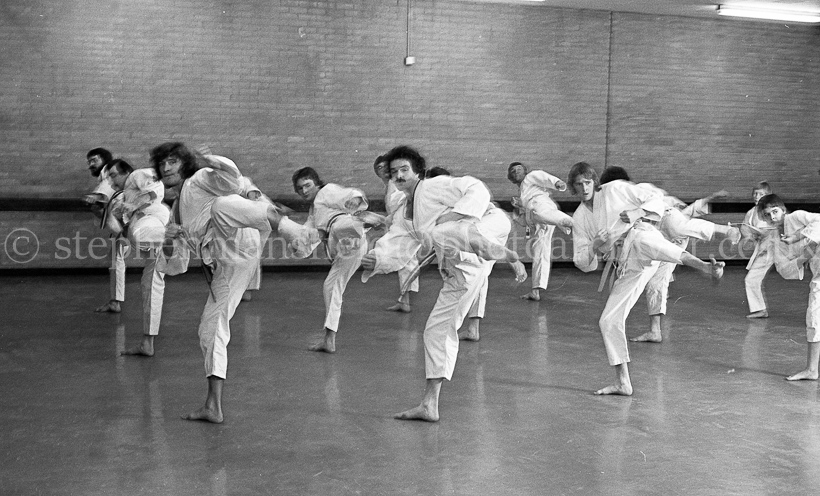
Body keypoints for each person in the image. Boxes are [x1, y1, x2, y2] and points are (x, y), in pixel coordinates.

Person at [361, 145, 526, 422]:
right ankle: (429, 405)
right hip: (459, 267)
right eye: (394, 172)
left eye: (404, 170)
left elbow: (475, 188)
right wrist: (377, 258)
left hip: (482, 232)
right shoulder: (404, 212)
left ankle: (504, 254)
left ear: (417, 171)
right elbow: (398, 243)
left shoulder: (434, 186)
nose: (399, 176)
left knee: (445, 229)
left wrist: (460, 213)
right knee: (435, 332)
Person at [153, 142, 307, 423]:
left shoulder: (199, 179)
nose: (166, 168)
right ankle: (213, 407)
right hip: (229, 262)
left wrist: (209, 159)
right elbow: (176, 265)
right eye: (161, 164)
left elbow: (232, 177)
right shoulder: (176, 212)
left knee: (223, 205)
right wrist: (168, 239)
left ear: (184, 163)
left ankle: (294, 232)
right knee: (209, 330)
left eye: (172, 161)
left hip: (240, 233)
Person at [570, 162, 724, 396]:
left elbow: (654, 198)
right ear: (573, 188)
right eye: (578, 185)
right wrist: (594, 246)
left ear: (594, 182)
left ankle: (704, 266)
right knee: (608, 321)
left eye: (587, 182)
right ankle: (623, 382)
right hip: (627, 263)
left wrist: (637, 212)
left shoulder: (614, 189)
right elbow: (582, 261)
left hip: (641, 235)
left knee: (648, 243)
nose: (584, 188)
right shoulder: (580, 217)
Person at [598, 166, 736, 343]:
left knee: (676, 226)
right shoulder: (623, 198)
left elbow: (675, 209)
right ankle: (655, 331)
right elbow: (687, 210)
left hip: (667, 221)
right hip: (663, 234)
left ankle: (725, 232)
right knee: (657, 283)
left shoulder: (637, 190)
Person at [292, 167, 381, 353]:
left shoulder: (326, 192)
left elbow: (346, 194)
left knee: (341, 226)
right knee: (330, 287)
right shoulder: (314, 212)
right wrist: (298, 246)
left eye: (307, 185)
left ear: (316, 183)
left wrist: (355, 199)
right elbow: (310, 236)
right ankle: (329, 339)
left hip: (343, 229)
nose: (304, 191)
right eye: (300, 189)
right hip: (344, 247)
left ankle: (363, 222)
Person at [104, 159, 170, 357]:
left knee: (142, 233)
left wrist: (133, 204)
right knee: (150, 284)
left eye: (114, 175)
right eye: (108, 177)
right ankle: (147, 343)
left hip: (153, 219)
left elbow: (154, 191)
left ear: (126, 172)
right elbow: (120, 224)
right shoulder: (123, 196)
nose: (112, 180)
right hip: (143, 232)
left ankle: (175, 236)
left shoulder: (138, 175)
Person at [754, 194, 820, 381]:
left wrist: (797, 237)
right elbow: (784, 269)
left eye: (775, 211)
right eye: (767, 215)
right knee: (814, 318)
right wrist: (804, 255)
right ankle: (812, 370)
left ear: (783, 210)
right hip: (818, 274)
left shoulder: (796, 217)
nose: (773, 217)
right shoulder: (775, 239)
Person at [507, 162, 573, 301]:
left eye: (519, 169)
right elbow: (524, 220)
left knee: (540, 212)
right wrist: (519, 207)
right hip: (538, 221)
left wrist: (557, 183)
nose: (516, 172)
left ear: (525, 171)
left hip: (542, 206)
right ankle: (536, 290)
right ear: (510, 177)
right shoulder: (523, 192)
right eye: (512, 171)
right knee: (540, 252)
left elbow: (543, 177)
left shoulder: (531, 176)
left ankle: (571, 223)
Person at [81, 147, 126, 314]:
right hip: (123, 221)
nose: (91, 165)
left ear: (105, 160)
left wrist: (97, 198)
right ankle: (115, 301)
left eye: (94, 160)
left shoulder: (109, 173)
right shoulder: (105, 177)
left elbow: (104, 193)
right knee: (116, 260)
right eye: (89, 162)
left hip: (134, 219)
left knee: (118, 260)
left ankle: (115, 302)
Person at [373, 155, 419, 312]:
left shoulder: (396, 184)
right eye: (379, 168)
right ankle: (404, 300)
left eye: (386, 168)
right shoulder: (389, 185)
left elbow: (402, 201)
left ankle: (405, 300)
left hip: (405, 225)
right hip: (399, 225)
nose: (384, 171)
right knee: (406, 262)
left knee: (406, 262)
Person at [741, 182, 776, 319]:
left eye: (760, 194)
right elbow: (745, 228)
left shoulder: (773, 209)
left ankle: (760, 309)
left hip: (776, 246)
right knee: (751, 279)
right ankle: (760, 309)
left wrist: (765, 233)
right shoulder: (751, 213)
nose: (756, 196)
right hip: (764, 249)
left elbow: (781, 225)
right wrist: (751, 236)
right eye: (755, 193)